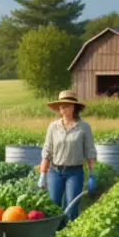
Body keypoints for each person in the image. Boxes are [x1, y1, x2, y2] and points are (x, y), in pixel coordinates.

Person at [39, 89, 97, 224]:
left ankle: (69, 234)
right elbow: (47, 151)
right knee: (54, 207)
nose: (63, 109)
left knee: (71, 208)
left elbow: (90, 152)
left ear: (74, 107)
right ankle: (54, 233)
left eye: (66, 106)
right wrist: (43, 174)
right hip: (55, 171)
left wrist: (92, 174)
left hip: (74, 172)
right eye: (61, 106)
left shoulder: (84, 127)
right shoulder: (53, 127)